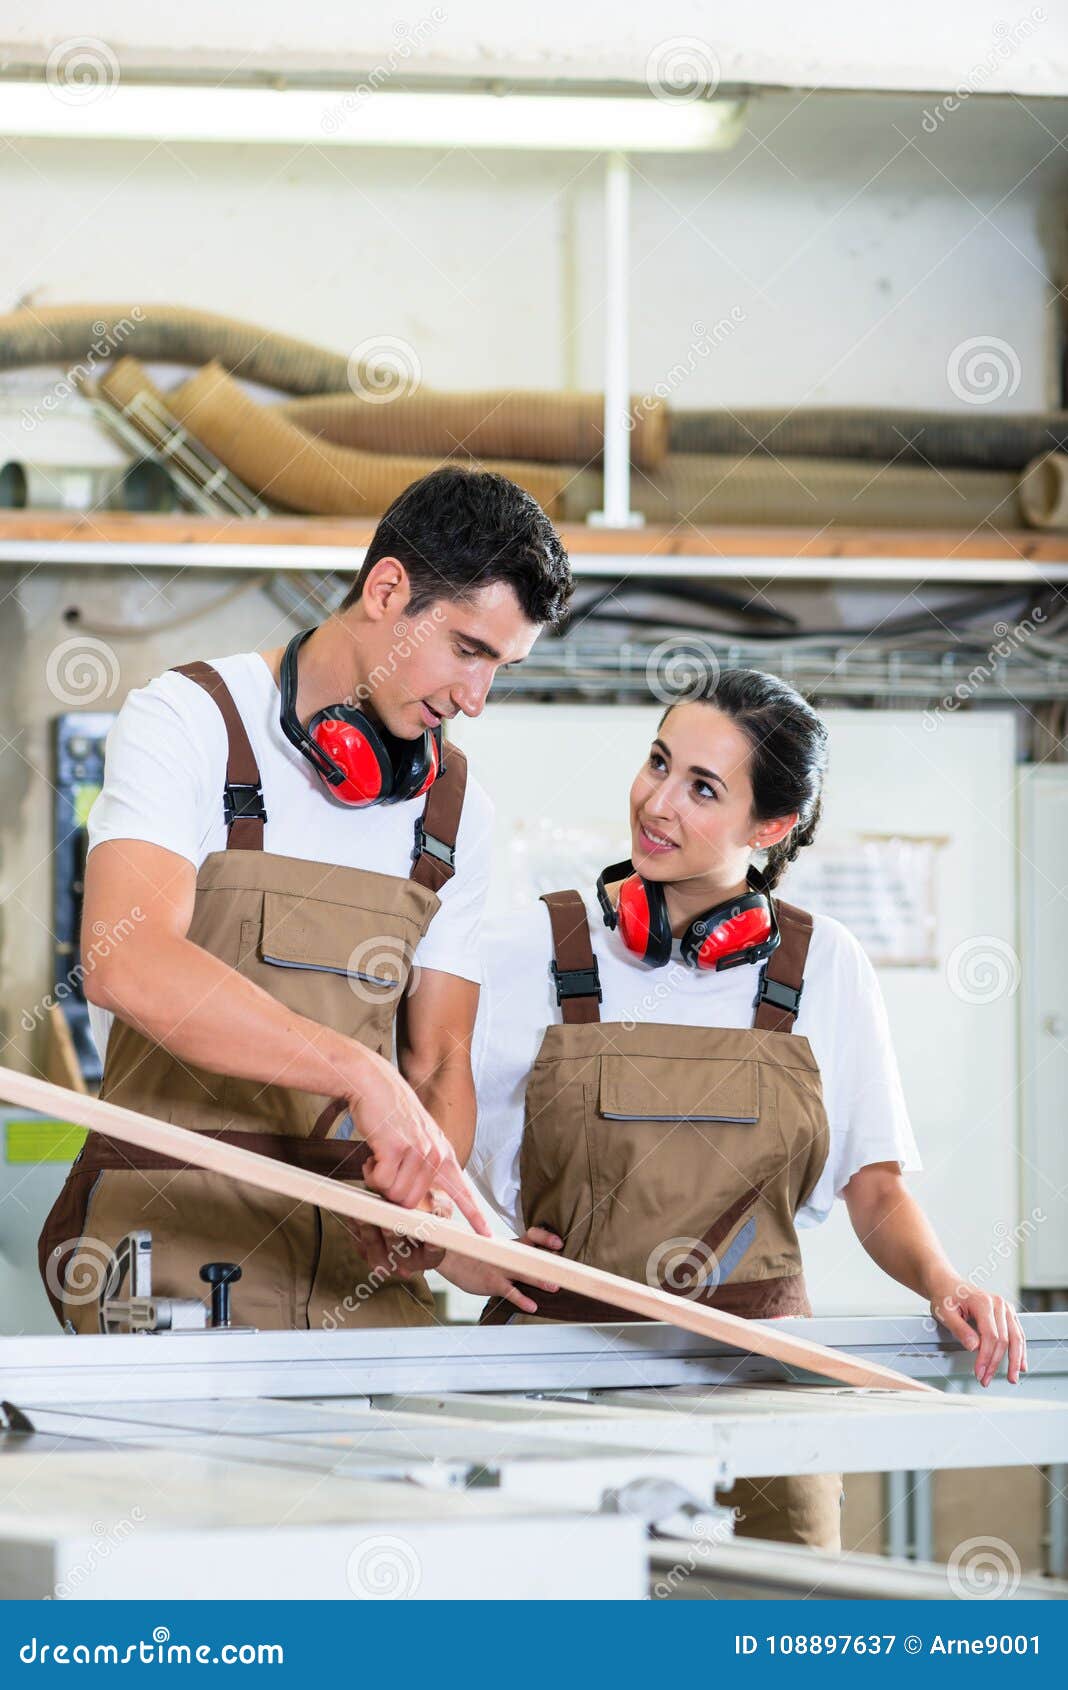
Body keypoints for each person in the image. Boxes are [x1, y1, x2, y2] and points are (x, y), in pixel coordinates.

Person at [440, 667, 1026, 1550]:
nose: (657, 802)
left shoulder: (822, 966)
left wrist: (947, 1283)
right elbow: (428, 1147)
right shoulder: (528, 947)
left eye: (702, 788)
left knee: (775, 1640)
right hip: (550, 1389)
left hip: (762, 1401)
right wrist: (466, 1253)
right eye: (657, 762)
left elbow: (875, 1188)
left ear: (773, 827)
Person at [39, 466, 572, 1334]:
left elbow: (438, 1062)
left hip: (356, 1280)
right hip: (174, 1246)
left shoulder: (456, 808)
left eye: (500, 668)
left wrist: (426, 1204)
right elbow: (123, 962)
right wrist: (360, 1074)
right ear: (388, 589)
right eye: (468, 650)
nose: (474, 699)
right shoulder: (192, 721)